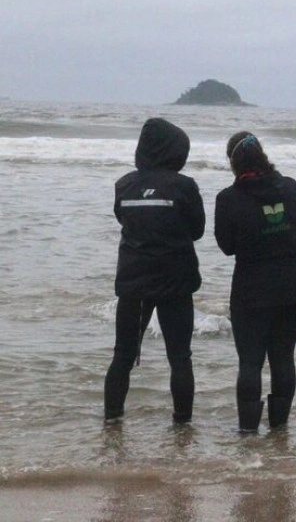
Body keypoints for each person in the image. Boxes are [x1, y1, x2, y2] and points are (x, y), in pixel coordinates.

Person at [105, 118, 205, 424]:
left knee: (123, 355)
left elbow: (123, 219)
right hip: (176, 280)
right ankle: (182, 424)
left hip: (133, 282)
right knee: (180, 356)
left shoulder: (124, 185)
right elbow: (197, 230)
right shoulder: (184, 186)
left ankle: (112, 421)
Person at [215, 132, 296, 432]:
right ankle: (279, 429)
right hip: (293, 284)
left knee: (250, 362)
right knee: (283, 358)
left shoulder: (228, 198)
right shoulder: (290, 187)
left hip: (252, 288)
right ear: (262, 155)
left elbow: (227, 246)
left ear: (233, 162)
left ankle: (247, 432)